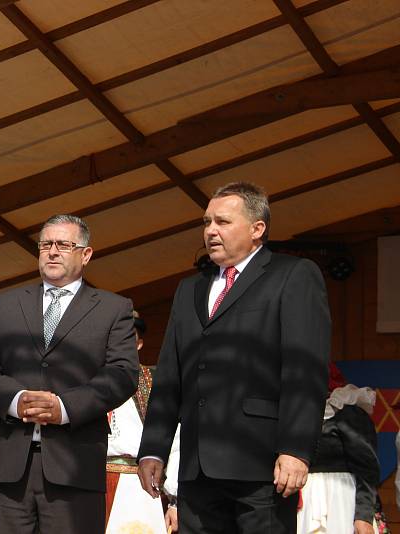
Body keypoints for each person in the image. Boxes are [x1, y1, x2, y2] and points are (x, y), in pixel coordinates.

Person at [138, 181, 330, 533]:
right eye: (207, 222)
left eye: (223, 222)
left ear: (258, 229)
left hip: (262, 464)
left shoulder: (292, 275)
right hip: (196, 471)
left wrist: (296, 448)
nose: (211, 230)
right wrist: (153, 449)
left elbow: (305, 370)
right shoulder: (189, 289)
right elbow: (169, 378)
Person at [0, 214, 139, 534]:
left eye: (64, 245)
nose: (53, 252)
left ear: (86, 254)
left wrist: (65, 407)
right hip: (7, 468)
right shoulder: (7, 303)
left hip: (75, 469)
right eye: (46, 244)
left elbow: (123, 372)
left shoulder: (113, 309)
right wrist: (15, 400)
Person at [105, 311, 173, 534]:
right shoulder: (87, 381)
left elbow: (175, 438)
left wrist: (174, 500)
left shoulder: (155, 382)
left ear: (139, 344)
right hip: (94, 481)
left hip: (142, 481)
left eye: (128, 339)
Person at [297, 363, 380, 534]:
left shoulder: (347, 412)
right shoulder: (296, 415)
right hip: (303, 500)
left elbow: (367, 469)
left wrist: (363, 517)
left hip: (339, 499)